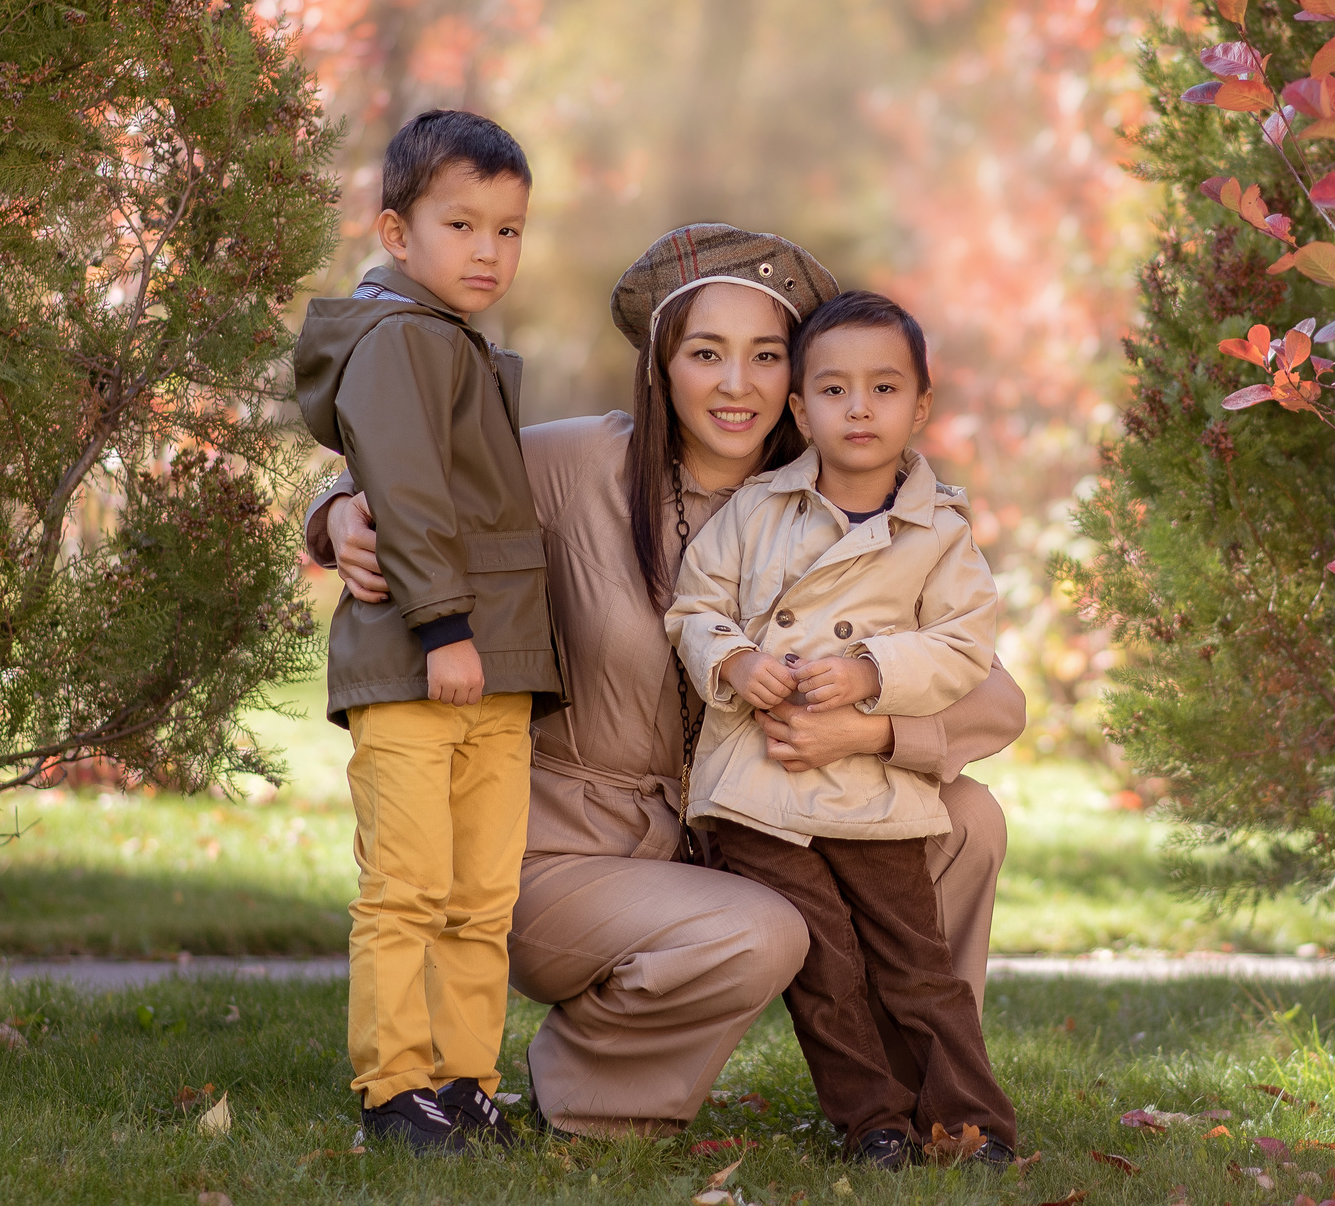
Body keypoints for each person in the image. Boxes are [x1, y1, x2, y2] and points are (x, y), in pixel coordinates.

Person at [306, 225, 1025, 1139]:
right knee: (761, 927)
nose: (736, 385)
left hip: (770, 815)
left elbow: (995, 698)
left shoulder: (845, 499)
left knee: (967, 820)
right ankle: (594, 1085)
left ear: (799, 389)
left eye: (767, 356)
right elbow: (409, 457)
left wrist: (871, 733)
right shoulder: (573, 467)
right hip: (576, 852)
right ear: (661, 365)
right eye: (705, 353)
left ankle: (922, 1099)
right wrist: (334, 513)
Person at [671, 291, 1017, 1168]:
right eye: (834, 389)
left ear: (920, 405)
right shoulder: (757, 510)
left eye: (884, 388)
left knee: (917, 962)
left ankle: (973, 1122)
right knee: (825, 960)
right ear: (800, 408)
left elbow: (964, 642)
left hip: (873, 788)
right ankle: (875, 1122)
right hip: (759, 783)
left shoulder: (938, 534)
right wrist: (740, 661)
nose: (859, 408)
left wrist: (873, 674)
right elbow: (695, 605)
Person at [292, 109, 562, 1156]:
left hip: (488, 669)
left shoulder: (447, 338)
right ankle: (395, 1087)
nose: (489, 250)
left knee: (481, 894)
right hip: (422, 663)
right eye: (463, 225)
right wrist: (444, 626)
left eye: (509, 229)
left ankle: (464, 1079)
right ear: (398, 233)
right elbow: (402, 487)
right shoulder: (399, 338)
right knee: (408, 886)